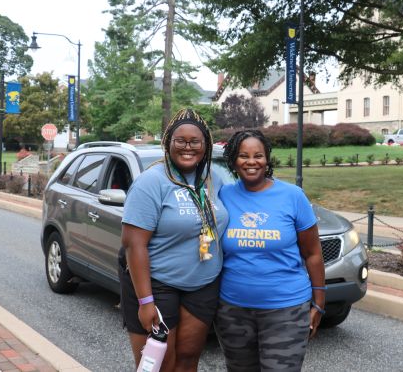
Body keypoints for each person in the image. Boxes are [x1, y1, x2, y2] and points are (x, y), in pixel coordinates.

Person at [120, 109, 229, 371]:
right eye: (180, 140)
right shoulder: (151, 181)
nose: (188, 147)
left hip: (202, 283)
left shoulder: (215, 178)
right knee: (159, 364)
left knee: (189, 358)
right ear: (168, 142)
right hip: (157, 284)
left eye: (195, 141)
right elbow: (134, 244)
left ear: (206, 145)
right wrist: (145, 302)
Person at [215, 129, 325, 371]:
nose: (252, 162)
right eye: (244, 156)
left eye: (259, 155)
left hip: (286, 309)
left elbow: (313, 253)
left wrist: (318, 303)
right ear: (234, 160)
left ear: (267, 159)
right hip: (233, 311)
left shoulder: (293, 196)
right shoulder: (223, 195)